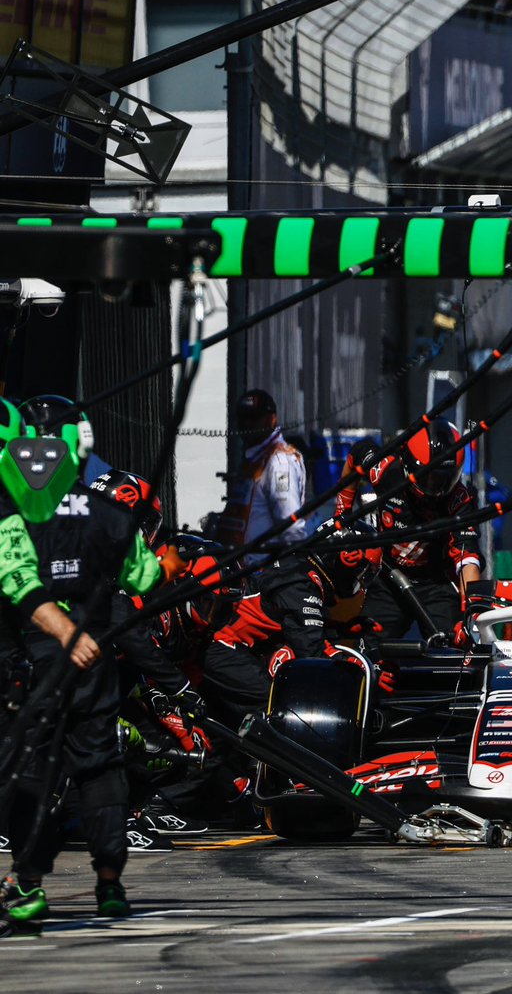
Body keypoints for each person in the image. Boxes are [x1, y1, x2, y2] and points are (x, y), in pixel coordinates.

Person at [1, 397, 164, 931]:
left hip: (35, 660)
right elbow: (146, 579)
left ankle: (27, 886)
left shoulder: (14, 509)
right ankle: (110, 884)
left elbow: (16, 578)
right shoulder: (112, 512)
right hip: (93, 658)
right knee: (99, 769)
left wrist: (61, 633)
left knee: (34, 772)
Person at [202, 522, 382, 726]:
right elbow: (311, 648)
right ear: (346, 559)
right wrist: (358, 669)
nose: (360, 581)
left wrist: (341, 628)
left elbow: (294, 623)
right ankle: (266, 756)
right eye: (362, 572)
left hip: (231, 644)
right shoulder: (301, 582)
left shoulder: (300, 566)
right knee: (276, 702)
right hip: (219, 643)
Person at [343, 418, 482, 647]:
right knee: (368, 648)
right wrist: (343, 513)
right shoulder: (385, 470)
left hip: (435, 582)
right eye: (430, 479)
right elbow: (357, 454)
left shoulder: (459, 499)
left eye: (444, 479)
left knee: (456, 650)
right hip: (387, 577)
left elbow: (468, 559)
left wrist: (472, 615)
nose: (437, 490)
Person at [213, 389, 307, 564]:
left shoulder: (280, 463)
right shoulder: (254, 458)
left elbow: (291, 526)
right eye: (243, 418)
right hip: (241, 571)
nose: (247, 424)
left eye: (254, 418)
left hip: (263, 576)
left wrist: (292, 573)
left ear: (272, 419)